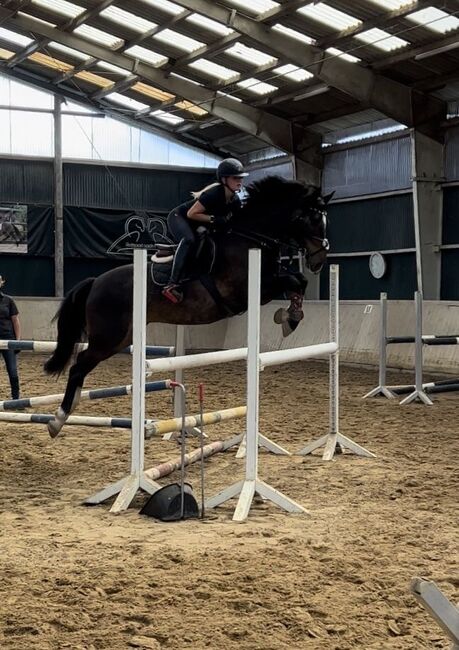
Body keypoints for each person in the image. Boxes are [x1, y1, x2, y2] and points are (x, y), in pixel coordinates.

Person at [162, 158, 249, 303]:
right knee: (190, 240)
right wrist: (214, 219)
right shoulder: (214, 194)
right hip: (179, 218)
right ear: (224, 179)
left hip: (197, 224)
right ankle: (172, 284)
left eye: (241, 178)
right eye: (236, 178)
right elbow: (191, 214)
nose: (239, 181)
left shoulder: (235, 201)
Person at [0, 275, 21, 400]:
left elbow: (15, 321)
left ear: (2, 283)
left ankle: (16, 398)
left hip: (8, 339)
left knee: (12, 371)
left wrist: (18, 341)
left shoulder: (9, 300)